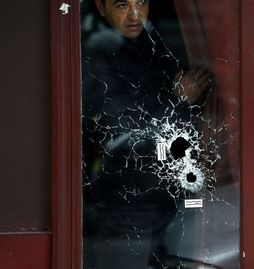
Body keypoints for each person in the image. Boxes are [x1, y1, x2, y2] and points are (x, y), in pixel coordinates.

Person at [81, 0, 214, 268]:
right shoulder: (96, 53)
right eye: (122, 4)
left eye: (141, 2)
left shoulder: (156, 45)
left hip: (167, 197)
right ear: (101, 7)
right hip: (124, 201)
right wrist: (179, 100)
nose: (134, 14)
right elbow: (124, 125)